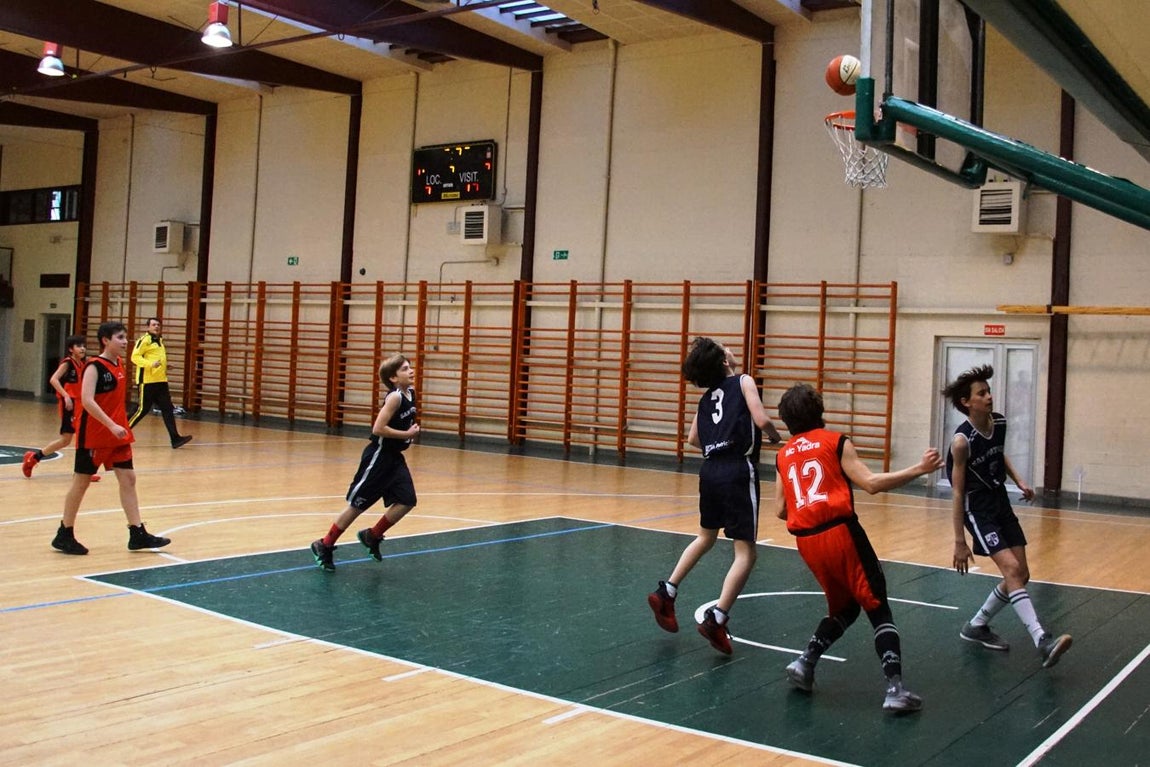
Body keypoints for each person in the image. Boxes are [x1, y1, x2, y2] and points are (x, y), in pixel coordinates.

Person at [773, 383, 942, 713]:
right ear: (819, 412)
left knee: (845, 608)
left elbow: (781, 510)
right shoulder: (835, 441)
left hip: (806, 541)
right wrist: (919, 470)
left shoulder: (783, 454)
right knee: (878, 605)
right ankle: (895, 689)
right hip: (840, 532)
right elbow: (870, 484)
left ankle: (805, 662)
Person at [646, 338, 782, 654]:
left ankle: (667, 590)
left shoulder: (706, 399)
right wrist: (777, 439)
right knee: (746, 552)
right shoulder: (744, 380)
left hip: (710, 470)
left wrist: (716, 443)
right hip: (737, 470)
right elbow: (761, 420)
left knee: (705, 537)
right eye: (725, 350)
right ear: (723, 361)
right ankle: (717, 618)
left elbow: (693, 438)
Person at [943, 364, 1072, 668]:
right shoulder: (961, 442)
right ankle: (1042, 639)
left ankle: (976, 625)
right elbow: (958, 492)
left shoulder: (998, 422)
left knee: (1021, 574)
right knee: (1012, 569)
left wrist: (1019, 481)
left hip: (1000, 500)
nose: (989, 396)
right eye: (982, 393)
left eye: (988, 391)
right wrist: (959, 541)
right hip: (978, 508)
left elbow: (998, 452)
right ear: (967, 402)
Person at [50, 321, 171, 555]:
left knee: (129, 478)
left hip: (117, 434)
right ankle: (64, 533)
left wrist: (119, 425)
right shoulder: (95, 366)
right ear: (106, 340)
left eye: (125, 337)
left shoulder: (120, 364)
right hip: (95, 434)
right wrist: (111, 424)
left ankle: (137, 533)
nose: (125, 341)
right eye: (120, 337)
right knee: (81, 482)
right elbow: (86, 400)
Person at [310, 353, 420, 572]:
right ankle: (325, 544)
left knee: (407, 500)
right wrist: (406, 433)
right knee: (358, 505)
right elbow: (378, 429)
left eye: (410, 367)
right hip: (379, 457)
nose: (411, 371)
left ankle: (372, 535)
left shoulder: (411, 393)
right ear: (393, 378)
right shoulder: (395, 397)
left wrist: (407, 434)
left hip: (395, 459)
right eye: (405, 368)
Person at [23, 335, 99, 482]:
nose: (82, 348)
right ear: (71, 349)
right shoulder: (68, 363)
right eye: (78, 346)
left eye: (83, 345)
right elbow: (53, 379)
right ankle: (34, 458)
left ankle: (34, 458)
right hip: (69, 405)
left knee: (76, 439)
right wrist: (66, 396)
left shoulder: (83, 364)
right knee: (68, 439)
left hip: (80, 404)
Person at [128, 317, 192, 449]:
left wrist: (165, 366)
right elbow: (135, 357)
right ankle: (121, 433)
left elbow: (157, 359)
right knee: (141, 410)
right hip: (147, 382)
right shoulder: (144, 340)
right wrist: (150, 364)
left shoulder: (160, 341)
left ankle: (175, 438)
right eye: (153, 324)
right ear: (148, 327)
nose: (156, 327)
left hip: (161, 381)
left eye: (158, 325)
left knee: (168, 409)